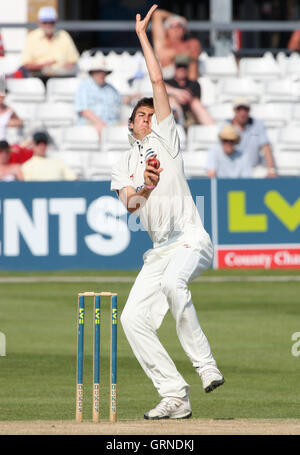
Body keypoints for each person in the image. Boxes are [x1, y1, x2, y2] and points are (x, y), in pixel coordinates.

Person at [111, 5, 224, 420]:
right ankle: (174, 394)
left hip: (191, 239)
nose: (146, 119)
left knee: (178, 285)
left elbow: (157, 79)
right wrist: (146, 186)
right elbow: (130, 204)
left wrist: (142, 35)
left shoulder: (166, 138)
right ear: (130, 126)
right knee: (132, 319)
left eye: (149, 115)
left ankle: (206, 366)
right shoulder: (122, 163)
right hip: (159, 249)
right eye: (140, 116)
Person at [21, 6, 79, 82]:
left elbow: (73, 60)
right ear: (39, 22)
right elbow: (26, 65)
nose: (48, 24)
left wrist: (64, 67)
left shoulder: (64, 35)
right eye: (45, 22)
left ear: (55, 21)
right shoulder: (32, 38)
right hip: (39, 78)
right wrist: (44, 65)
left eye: (51, 22)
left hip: (62, 77)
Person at [224, 97, 277, 177]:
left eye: (245, 109)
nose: (242, 113)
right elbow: (224, 150)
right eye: (239, 109)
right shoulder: (226, 126)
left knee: (266, 175)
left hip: (254, 169)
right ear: (234, 110)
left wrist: (271, 170)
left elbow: (266, 147)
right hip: (233, 168)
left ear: (249, 110)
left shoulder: (258, 124)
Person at [74, 57, 122, 138]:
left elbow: (120, 101)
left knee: (132, 128)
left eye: (104, 72)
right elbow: (84, 110)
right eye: (99, 72)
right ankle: (104, 150)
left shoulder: (111, 88)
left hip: (111, 122)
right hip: (91, 122)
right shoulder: (84, 87)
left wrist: (132, 97)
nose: (102, 74)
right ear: (92, 73)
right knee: (101, 129)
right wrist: (99, 122)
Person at [164, 54, 214, 128]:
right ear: (175, 67)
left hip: (191, 115)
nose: (181, 69)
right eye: (179, 66)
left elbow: (192, 101)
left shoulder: (194, 84)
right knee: (171, 101)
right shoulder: (167, 82)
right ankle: (177, 128)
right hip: (173, 115)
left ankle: (212, 130)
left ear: (188, 68)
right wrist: (177, 93)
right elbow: (159, 87)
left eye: (184, 67)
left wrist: (183, 96)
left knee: (195, 103)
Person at [152, 8, 202, 81]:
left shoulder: (192, 42)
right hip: (167, 81)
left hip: (187, 81)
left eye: (179, 25)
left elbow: (194, 54)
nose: (176, 28)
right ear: (166, 30)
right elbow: (157, 14)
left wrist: (170, 54)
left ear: (184, 30)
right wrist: (180, 18)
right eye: (172, 26)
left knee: (192, 64)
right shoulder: (162, 42)